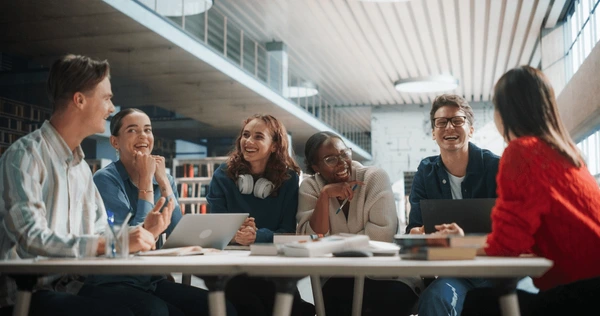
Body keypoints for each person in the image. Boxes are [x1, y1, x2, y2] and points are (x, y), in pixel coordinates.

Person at [0, 54, 159, 316]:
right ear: (79, 100)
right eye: (107, 98)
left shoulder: (82, 169)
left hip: (72, 287)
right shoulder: (24, 157)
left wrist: (141, 232)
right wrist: (113, 244)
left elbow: (99, 232)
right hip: (26, 296)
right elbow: (31, 238)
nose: (111, 108)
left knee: (151, 309)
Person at [457, 66, 600, 315]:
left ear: (506, 112)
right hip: (591, 287)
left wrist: (457, 248)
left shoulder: (523, 151)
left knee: (477, 303)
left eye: (495, 108)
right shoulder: (568, 154)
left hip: (582, 296)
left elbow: (505, 246)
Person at [78, 108, 236, 316]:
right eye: (132, 130)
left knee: (221, 307)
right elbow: (135, 240)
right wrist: (146, 180)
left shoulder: (164, 178)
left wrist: (163, 182)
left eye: (148, 130)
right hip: (114, 280)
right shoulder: (105, 179)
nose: (143, 136)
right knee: (160, 312)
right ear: (115, 142)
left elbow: (180, 235)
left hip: (151, 280)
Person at [297, 131, 422, 316]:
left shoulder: (374, 178)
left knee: (383, 301)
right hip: (336, 277)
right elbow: (310, 240)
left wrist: (332, 244)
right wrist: (324, 196)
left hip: (385, 275)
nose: (341, 163)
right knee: (337, 299)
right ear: (315, 167)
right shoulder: (311, 188)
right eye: (330, 159)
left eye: (344, 154)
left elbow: (382, 239)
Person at [206, 114, 314, 316]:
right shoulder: (223, 175)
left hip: (272, 264)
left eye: (258, 136)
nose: (248, 141)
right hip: (232, 268)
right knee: (251, 307)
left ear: (274, 145)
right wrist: (234, 234)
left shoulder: (289, 179)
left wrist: (258, 236)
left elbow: (288, 232)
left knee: (296, 310)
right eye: (245, 135)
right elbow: (215, 229)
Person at [405, 94, 501, 316]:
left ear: (471, 129)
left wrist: (464, 240)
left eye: (457, 120)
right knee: (435, 299)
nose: (449, 127)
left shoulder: (496, 167)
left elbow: (512, 230)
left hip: (496, 268)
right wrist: (419, 233)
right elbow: (414, 228)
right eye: (441, 122)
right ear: (433, 132)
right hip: (455, 273)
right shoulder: (425, 171)